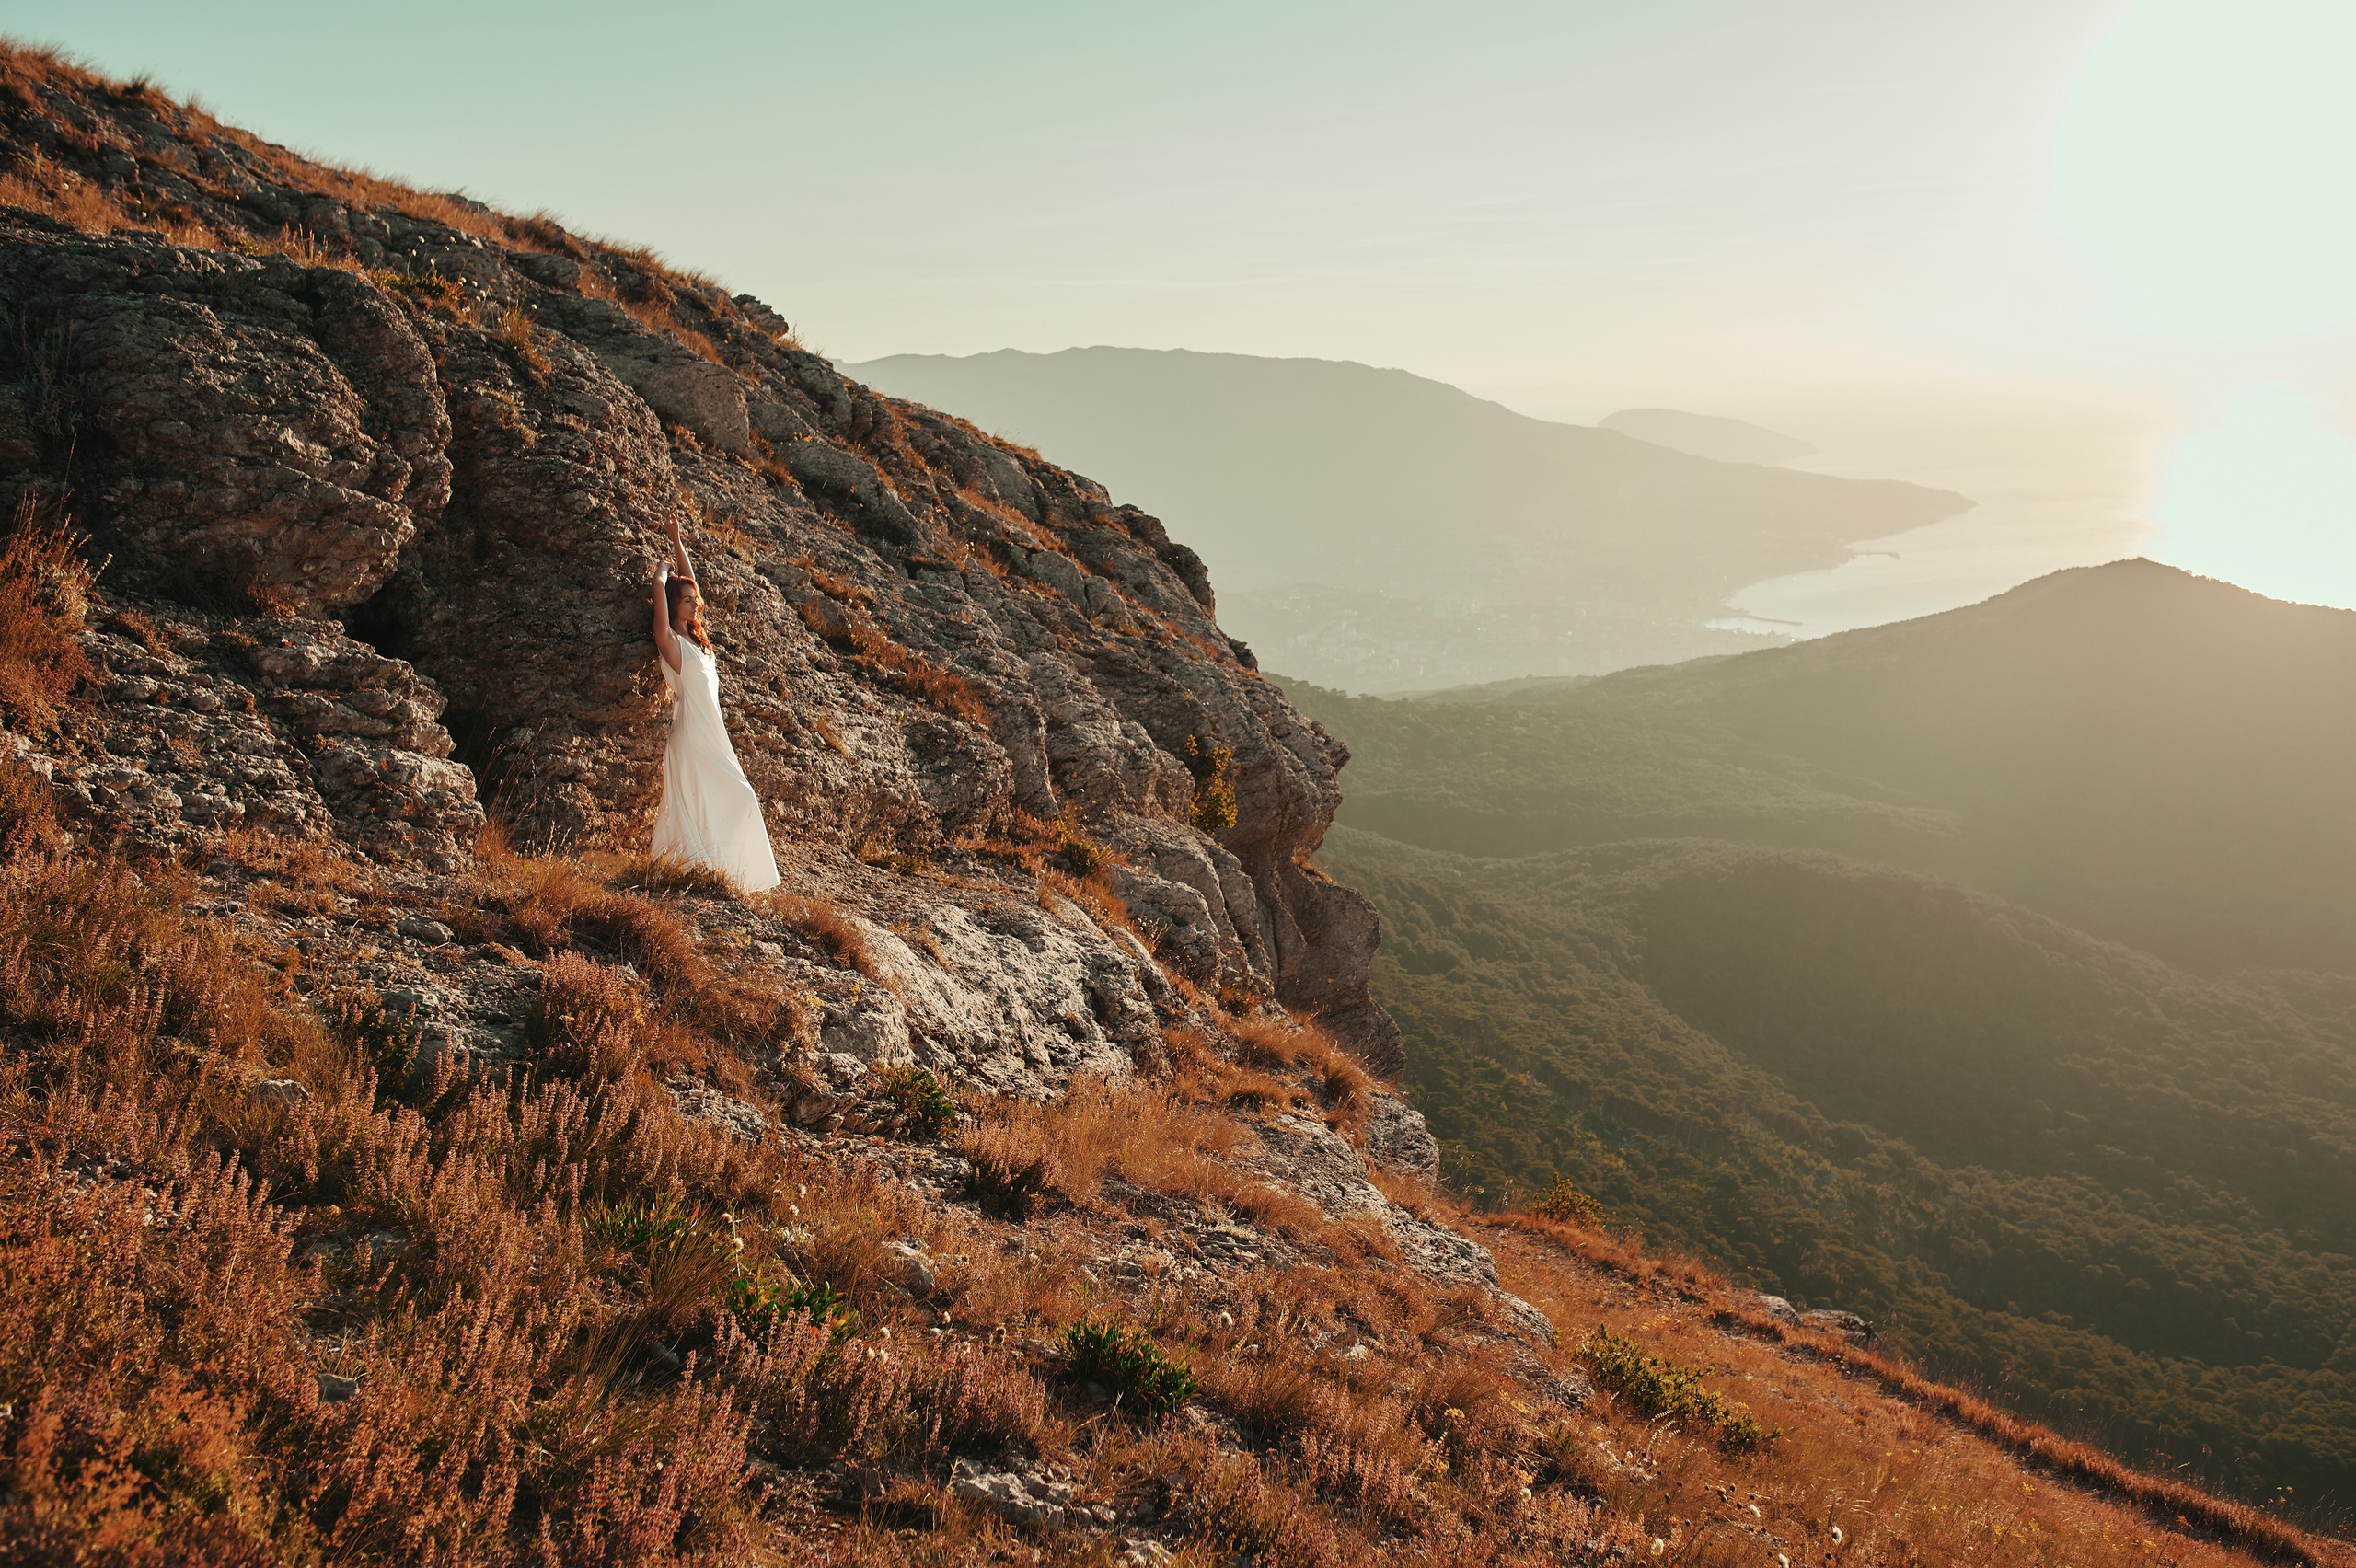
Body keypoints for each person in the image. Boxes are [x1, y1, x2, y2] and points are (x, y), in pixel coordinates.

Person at [649, 513, 781, 892]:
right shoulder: (671, 643)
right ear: (673, 604)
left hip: (710, 733)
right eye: (687, 601)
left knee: (733, 798)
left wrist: (677, 540)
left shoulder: (696, 641)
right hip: (691, 737)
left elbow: (690, 581)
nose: (695, 605)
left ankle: (724, 876)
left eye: (696, 601)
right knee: (711, 802)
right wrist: (662, 572)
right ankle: (696, 872)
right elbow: (660, 593)